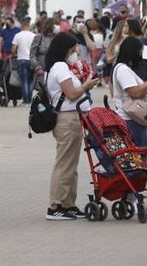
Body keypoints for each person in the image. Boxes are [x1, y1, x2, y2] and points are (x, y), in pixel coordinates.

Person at [44, 32, 100, 220]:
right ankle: (56, 205)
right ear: (65, 49)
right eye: (74, 47)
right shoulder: (60, 67)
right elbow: (71, 94)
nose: (77, 50)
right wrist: (87, 86)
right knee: (64, 163)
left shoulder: (62, 67)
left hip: (73, 118)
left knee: (71, 164)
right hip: (67, 120)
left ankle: (68, 203)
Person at [112, 37, 147, 149]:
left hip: (134, 117)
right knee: (138, 153)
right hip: (130, 118)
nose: (140, 55)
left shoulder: (125, 69)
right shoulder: (123, 70)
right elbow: (135, 93)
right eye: (140, 52)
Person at [13, 17, 36, 105]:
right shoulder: (34, 36)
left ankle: (25, 100)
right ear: (29, 25)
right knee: (30, 80)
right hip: (31, 60)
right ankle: (29, 99)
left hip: (21, 59)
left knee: (24, 80)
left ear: (22, 25)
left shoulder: (17, 35)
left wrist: (15, 53)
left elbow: (13, 49)